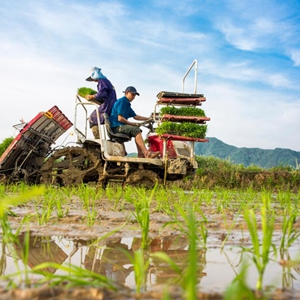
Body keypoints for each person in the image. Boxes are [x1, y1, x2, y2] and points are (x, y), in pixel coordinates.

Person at [109, 86, 160, 158]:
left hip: (120, 126)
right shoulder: (122, 101)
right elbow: (120, 118)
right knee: (136, 130)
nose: (134, 97)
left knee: (136, 130)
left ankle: (141, 154)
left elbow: (135, 116)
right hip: (116, 127)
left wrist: (148, 119)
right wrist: (132, 124)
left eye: (135, 95)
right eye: (132, 95)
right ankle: (146, 153)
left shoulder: (127, 104)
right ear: (127, 93)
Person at [85, 67, 117, 139]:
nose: (93, 80)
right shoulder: (106, 81)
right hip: (111, 105)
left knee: (92, 118)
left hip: (108, 106)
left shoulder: (102, 81)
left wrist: (92, 96)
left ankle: (98, 139)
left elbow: (102, 94)